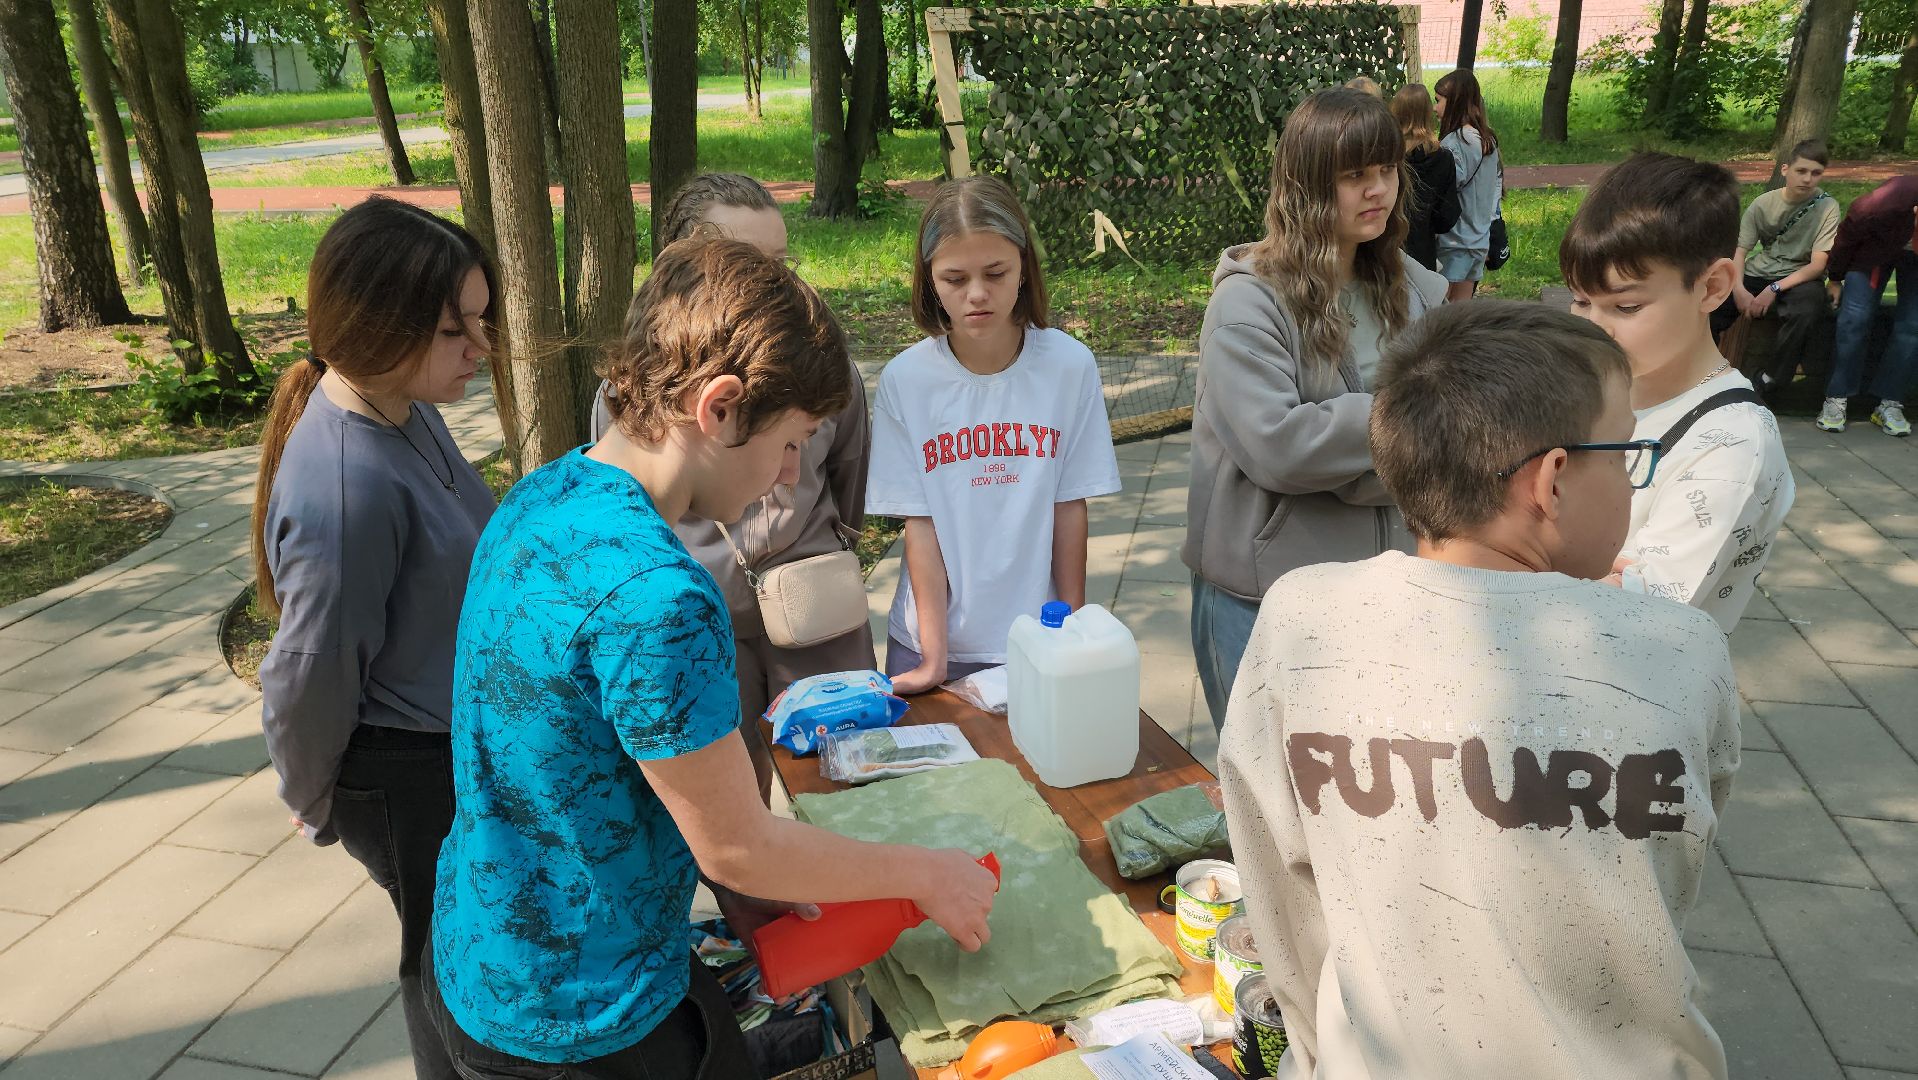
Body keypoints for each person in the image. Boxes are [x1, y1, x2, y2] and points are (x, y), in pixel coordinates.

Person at [427, 236, 997, 1078]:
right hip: (589, 1014)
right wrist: (926, 876)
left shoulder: (546, 489)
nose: (789, 474)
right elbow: (736, 848)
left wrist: (785, 866)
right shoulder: (661, 599)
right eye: (793, 440)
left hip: (487, 953)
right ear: (720, 408)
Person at [1218, 298, 1738, 1080]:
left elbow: (1282, 903)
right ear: (1552, 480)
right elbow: (1669, 876)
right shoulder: (1682, 647)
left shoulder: (1301, 620)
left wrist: (1321, 1056)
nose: (1634, 479)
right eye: (1626, 453)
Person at [252, 196, 500, 1080]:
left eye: (479, 316)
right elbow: (307, 673)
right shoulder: (346, 490)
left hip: (445, 752)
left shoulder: (406, 404)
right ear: (374, 329)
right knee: (447, 977)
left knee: (462, 962)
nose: (480, 345)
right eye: (453, 329)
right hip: (404, 774)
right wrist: (313, 796)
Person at [589, 172, 874, 803]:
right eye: (751, 266)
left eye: (782, 263)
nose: (783, 286)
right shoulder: (624, 405)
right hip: (708, 618)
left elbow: (852, 479)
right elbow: (727, 839)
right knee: (732, 796)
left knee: (851, 783)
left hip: (813, 611)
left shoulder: (823, 367)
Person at [1183, 86, 1448, 730]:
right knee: (1269, 812)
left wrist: (1349, 466)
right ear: (1305, 188)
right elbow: (1280, 446)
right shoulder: (1250, 303)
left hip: (1393, 596)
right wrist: (1401, 436)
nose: (1378, 189)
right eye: (1355, 176)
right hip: (1266, 603)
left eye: (1386, 170)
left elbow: (1454, 439)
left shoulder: (1419, 291)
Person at [866, 175, 1121, 694]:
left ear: (1024, 268)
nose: (977, 294)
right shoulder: (905, 380)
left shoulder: (1069, 366)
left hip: (1037, 640)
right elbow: (921, 525)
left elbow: (1069, 506)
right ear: (929, 280)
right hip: (928, 645)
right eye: (955, 279)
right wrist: (934, 659)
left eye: (996, 272)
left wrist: (1069, 630)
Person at [1562, 152, 1793, 632]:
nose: (1593, 328)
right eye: (1582, 301)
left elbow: (1636, 612)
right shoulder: (1597, 384)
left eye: (1625, 306)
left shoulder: (1733, 444)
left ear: (1712, 287)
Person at [1708, 139, 1841, 397]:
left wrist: (1774, 288)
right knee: (1710, 305)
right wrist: (1738, 289)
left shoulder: (1827, 207)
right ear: (1785, 170)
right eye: (1801, 171)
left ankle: (1770, 379)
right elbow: (1739, 251)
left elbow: (1817, 266)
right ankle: (1702, 375)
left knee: (1807, 311)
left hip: (1799, 276)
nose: (1808, 179)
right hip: (1759, 271)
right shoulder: (1763, 204)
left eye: (1816, 173)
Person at [1815, 173, 1918, 436]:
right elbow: (1846, 239)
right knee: (1855, 318)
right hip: (1874, 253)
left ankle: (1889, 402)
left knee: (1912, 325)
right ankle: (1836, 398)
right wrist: (1835, 278)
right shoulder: (1878, 208)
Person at [1433, 68, 1502, 302]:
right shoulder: (1487, 139)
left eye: (1438, 101)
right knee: (1461, 313)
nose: (1434, 108)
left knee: (1442, 313)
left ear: (1454, 102)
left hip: (1455, 241)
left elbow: (1446, 187)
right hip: (1479, 239)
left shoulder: (1455, 142)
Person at [1390, 82, 1461, 272]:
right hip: (1423, 254)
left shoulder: (1386, 156)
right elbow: (1448, 216)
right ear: (1427, 113)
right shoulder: (1443, 158)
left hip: (1386, 250)